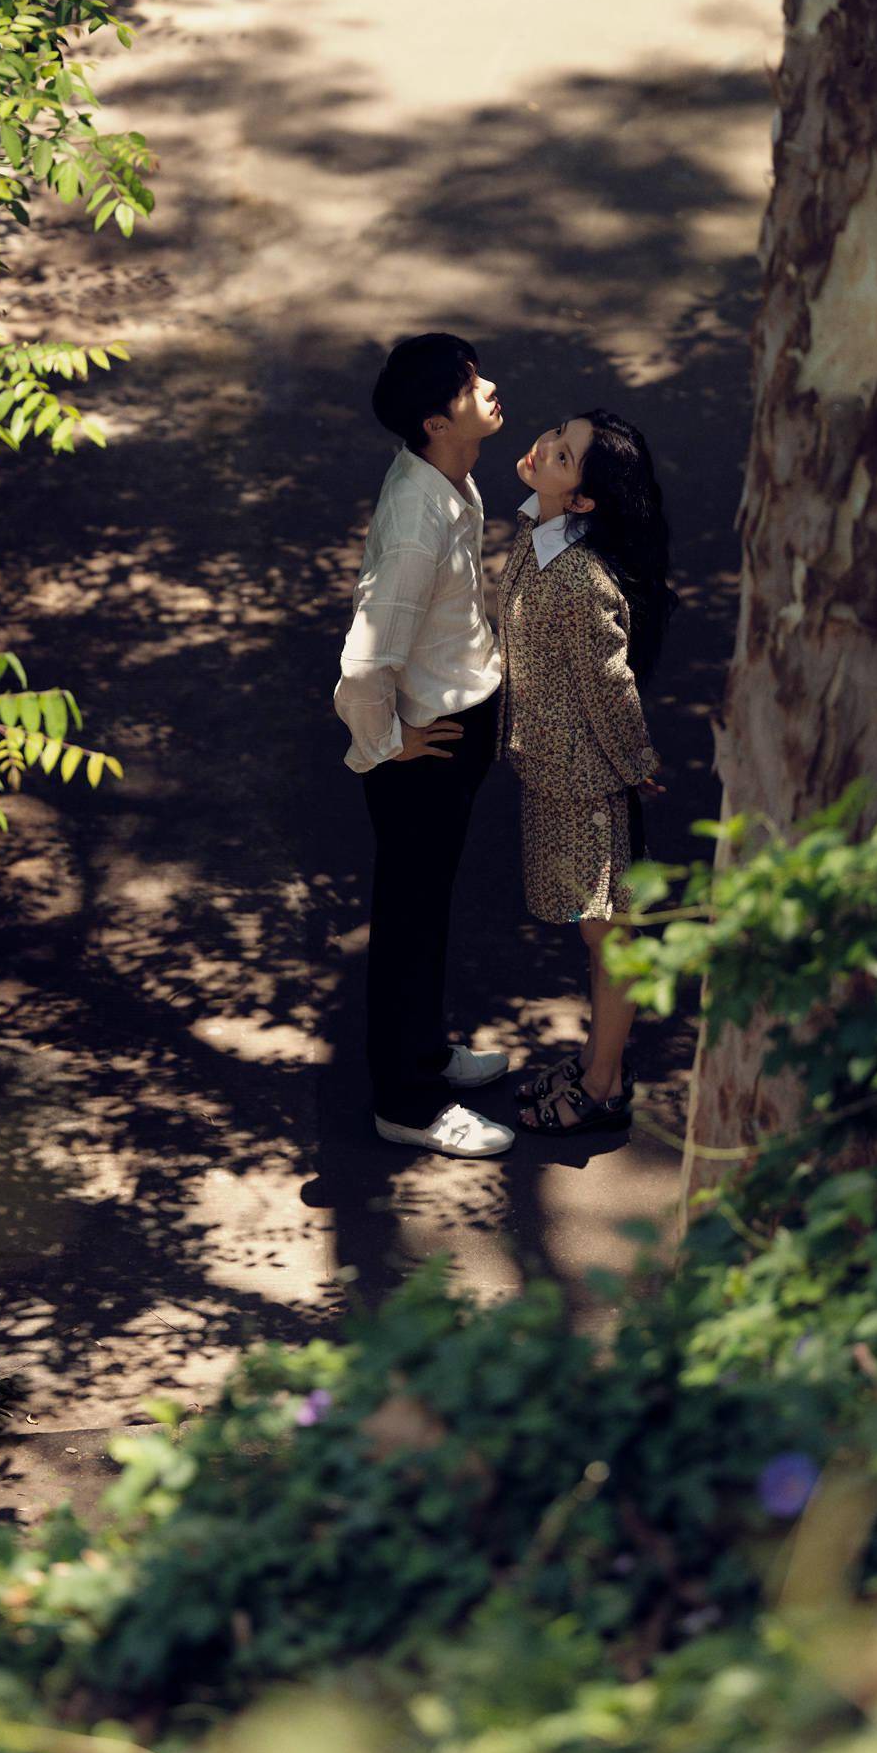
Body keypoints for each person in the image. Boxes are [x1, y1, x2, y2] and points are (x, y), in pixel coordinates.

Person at [335, 333, 515, 1158]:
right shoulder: (418, 519)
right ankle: (406, 1102)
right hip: (424, 755)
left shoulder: (449, 477)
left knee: (427, 911)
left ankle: (426, 1052)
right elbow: (366, 660)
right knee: (409, 921)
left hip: (453, 729)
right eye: (472, 384)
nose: (490, 389)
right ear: (439, 419)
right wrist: (385, 745)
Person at [496, 410, 675, 1136]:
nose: (542, 448)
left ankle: (602, 1083)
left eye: (563, 455)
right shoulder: (539, 535)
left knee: (611, 934)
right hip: (551, 769)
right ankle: (603, 1064)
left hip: (586, 781)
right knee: (596, 929)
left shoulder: (581, 578)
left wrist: (637, 765)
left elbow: (611, 686)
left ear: (584, 500)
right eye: (554, 437)